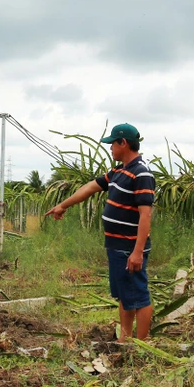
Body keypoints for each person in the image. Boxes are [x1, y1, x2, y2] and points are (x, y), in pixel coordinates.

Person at [45, 123, 156, 341]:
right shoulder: (119, 171)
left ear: (123, 143)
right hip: (116, 246)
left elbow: (146, 216)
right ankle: (124, 340)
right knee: (125, 295)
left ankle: (141, 346)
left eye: (112, 144)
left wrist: (137, 252)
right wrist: (63, 205)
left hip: (129, 248)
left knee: (139, 297)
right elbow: (90, 187)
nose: (111, 149)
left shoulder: (141, 173)